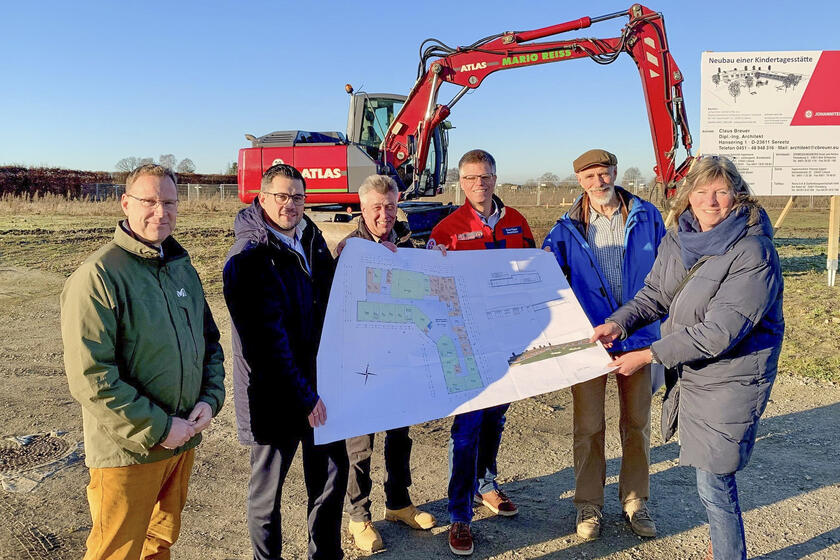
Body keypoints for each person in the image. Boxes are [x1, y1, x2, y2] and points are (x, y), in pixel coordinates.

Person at [590, 155, 784, 560]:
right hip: (694, 372)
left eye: (721, 192)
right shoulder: (680, 237)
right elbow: (656, 295)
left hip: (732, 377)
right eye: (701, 191)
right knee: (706, 477)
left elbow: (720, 332)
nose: (710, 201)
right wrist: (618, 323)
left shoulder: (754, 252)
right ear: (687, 196)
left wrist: (648, 355)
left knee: (715, 482)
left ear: (738, 195)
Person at [60, 163, 226, 560]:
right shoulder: (99, 275)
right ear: (125, 203)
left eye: (169, 202)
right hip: (128, 450)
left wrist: (210, 399)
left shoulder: (180, 267)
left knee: (158, 544)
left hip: (182, 441)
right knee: (115, 551)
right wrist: (158, 428)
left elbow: (210, 343)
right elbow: (91, 377)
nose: (160, 211)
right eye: (149, 201)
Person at [223, 163, 349, 560]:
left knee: (330, 478)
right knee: (267, 494)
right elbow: (266, 344)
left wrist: (357, 258)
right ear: (262, 198)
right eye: (281, 196)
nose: (290, 204)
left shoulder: (309, 238)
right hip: (275, 395)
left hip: (316, 389)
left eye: (297, 196)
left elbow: (331, 298)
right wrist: (304, 397)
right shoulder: (250, 257)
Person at [542, 149, 665, 540]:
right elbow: (545, 276)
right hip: (590, 341)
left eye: (604, 173)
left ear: (615, 172)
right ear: (579, 180)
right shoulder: (565, 229)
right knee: (589, 426)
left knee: (637, 423)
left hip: (638, 336)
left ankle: (635, 501)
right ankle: (588, 505)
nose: (599, 181)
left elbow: (669, 271)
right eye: (590, 176)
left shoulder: (647, 217)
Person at [427, 149, 535, 556]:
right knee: (467, 427)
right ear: (461, 181)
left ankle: (486, 481)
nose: (479, 184)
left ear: (495, 178)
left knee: (496, 418)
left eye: (486, 177)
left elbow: (532, 275)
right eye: (471, 178)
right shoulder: (448, 229)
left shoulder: (517, 223)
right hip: (466, 343)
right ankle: (460, 513)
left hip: (506, 342)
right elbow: (433, 287)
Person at [335, 174, 436, 553]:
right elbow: (340, 308)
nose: (384, 214)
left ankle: (398, 503)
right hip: (363, 364)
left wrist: (435, 260)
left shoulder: (410, 243)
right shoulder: (349, 250)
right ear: (362, 208)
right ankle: (359, 516)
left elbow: (426, 289)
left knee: (399, 436)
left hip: (401, 361)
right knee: (359, 445)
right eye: (376, 207)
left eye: (391, 206)